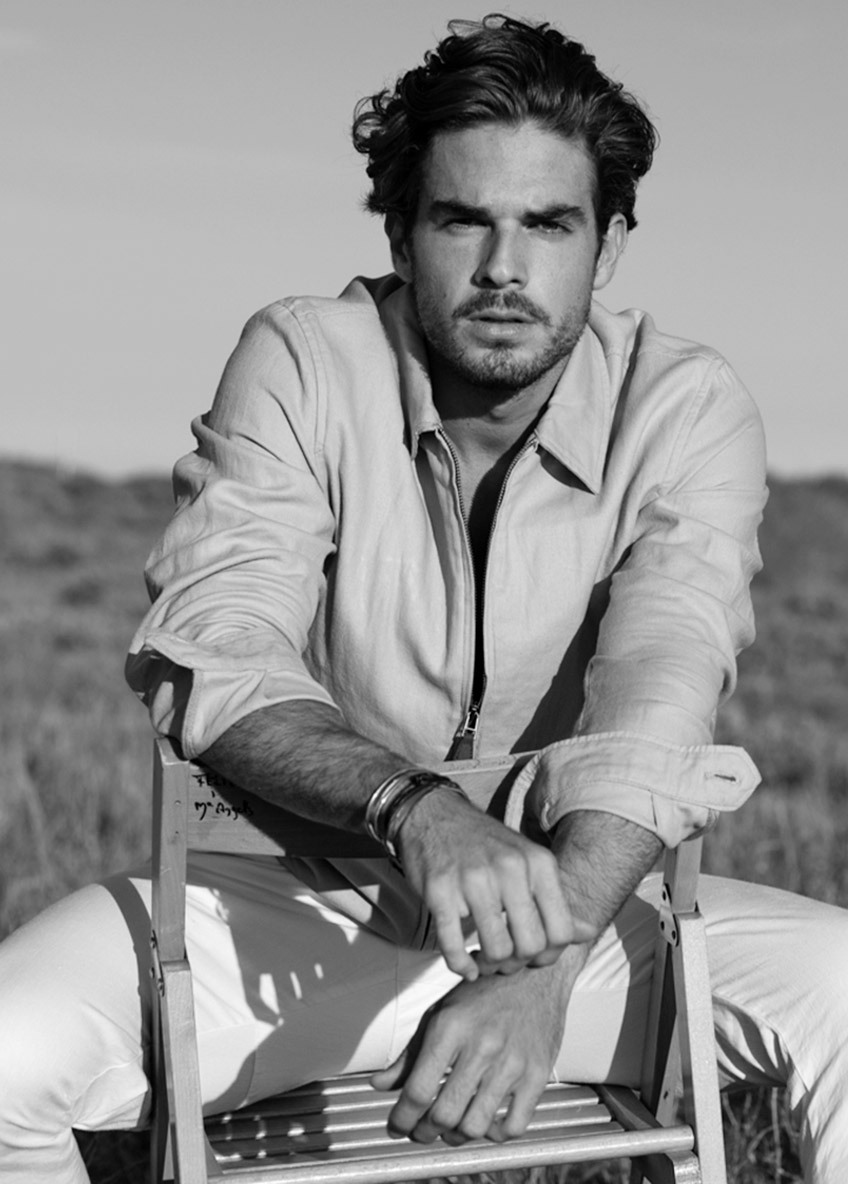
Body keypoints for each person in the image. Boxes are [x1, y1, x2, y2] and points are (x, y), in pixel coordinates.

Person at [1, 13, 847, 1183]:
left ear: (605, 246)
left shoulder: (683, 405)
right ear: (401, 233)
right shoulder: (303, 359)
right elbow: (220, 642)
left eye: (547, 223)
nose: (504, 268)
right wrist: (415, 807)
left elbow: (660, 681)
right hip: (296, 910)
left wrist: (540, 963)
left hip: (582, 921)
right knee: (6, 1049)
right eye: (462, 220)